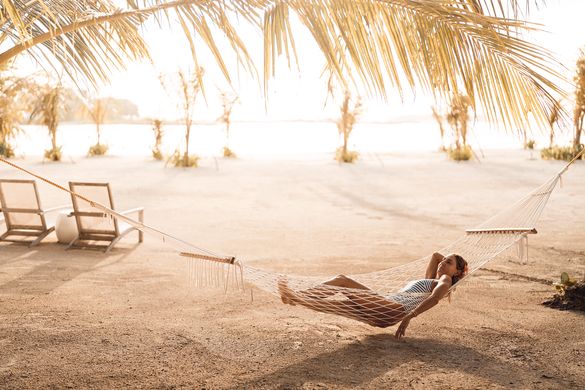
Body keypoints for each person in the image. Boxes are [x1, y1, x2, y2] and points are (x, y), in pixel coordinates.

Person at [278, 252, 468, 339]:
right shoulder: (432, 279)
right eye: (444, 260)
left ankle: (295, 295)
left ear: (455, 272)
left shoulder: (445, 281)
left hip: (391, 308)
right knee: (338, 305)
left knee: (343, 281)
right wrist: (452, 264)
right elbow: (435, 255)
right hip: (386, 312)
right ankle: (295, 299)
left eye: (448, 262)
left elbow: (435, 298)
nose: (442, 262)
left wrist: (410, 317)